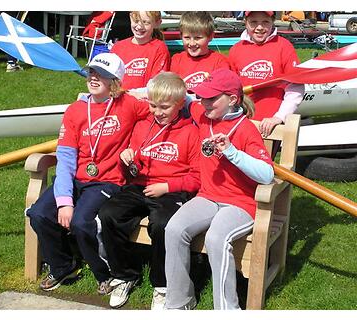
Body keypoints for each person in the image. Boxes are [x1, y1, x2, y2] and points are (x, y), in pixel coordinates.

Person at [26, 52, 149, 294]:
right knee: (39, 213)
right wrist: (64, 202)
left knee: (82, 222)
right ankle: (63, 266)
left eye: (101, 74)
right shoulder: (76, 110)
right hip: (75, 177)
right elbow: (66, 158)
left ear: (115, 80)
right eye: (91, 71)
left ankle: (105, 273)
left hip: (107, 180)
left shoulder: (129, 104)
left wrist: (135, 144)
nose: (93, 77)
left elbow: (164, 107)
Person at [164, 68, 274, 310]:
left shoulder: (246, 129)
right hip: (208, 197)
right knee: (173, 229)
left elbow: (267, 174)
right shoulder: (203, 114)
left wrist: (233, 153)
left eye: (212, 98)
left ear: (233, 99)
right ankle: (179, 302)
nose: (205, 102)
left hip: (240, 203)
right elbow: (185, 98)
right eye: (203, 97)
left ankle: (226, 309)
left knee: (216, 238)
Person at [98, 72, 200, 309]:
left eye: (164, 107)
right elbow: (132, 172)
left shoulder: (190, 132)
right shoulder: (143, 126)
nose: (157, 112)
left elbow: (197, 177)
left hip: (172, 190)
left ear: (179, 104)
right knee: (109, 214)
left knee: (162, 224)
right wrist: (126, 162)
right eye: (153, 106)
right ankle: (125, 275)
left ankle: (162, 285)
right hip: (141, 185)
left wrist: (168, 186)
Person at [228, 11, 304, 137]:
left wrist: (279, 117)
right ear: (245, 22)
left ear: (273, 21)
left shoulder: (284, 47)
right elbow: (230, 90)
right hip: (241, 122)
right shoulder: (236, 49)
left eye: (265, 22)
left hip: (271, 124)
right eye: (253, 22)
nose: (259, 28)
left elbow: (296, 86)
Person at [110, 11, 170, 90]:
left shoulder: (159, 49)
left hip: (144, 100)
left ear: (157, 23)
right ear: (130, 18)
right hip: (118, 99)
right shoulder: (118, 47)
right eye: (136, 20)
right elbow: (108, 79)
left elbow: (157, 85)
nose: (139, 26)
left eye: (146, 22)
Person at [170, 11, 230, 91]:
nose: (192, 43)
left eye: (198, 38)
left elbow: (224, 91)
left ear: (211, 36)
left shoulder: (219, 61)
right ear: (181, 36)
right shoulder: (176, 60)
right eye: (187, 37)